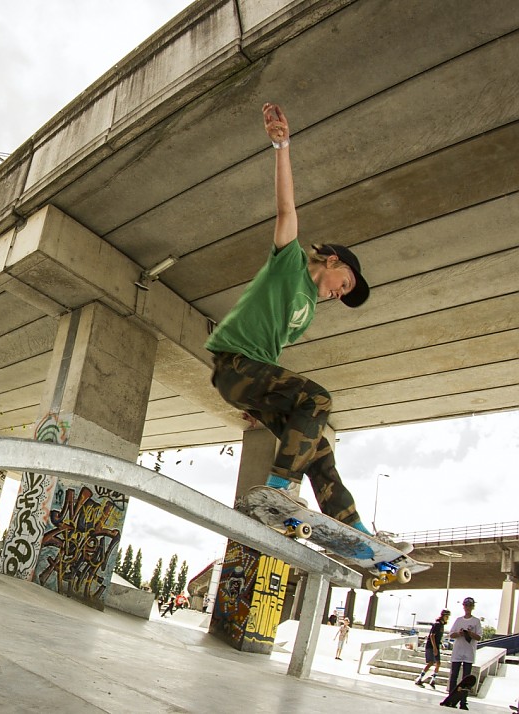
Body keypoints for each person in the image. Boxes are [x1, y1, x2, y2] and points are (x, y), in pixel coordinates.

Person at [205, 103, 406, 549]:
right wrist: (282, 146)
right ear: (332, 261)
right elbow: (285, 209)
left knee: (318, 450)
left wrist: (258, 400)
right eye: (344, 282)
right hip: (234, 364)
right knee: (317, 398)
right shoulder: (289, 263)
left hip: (251, 378)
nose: (340, 291)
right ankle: (279, 492)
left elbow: (270, 347)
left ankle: (353, 530)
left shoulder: (308, 310)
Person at [446, 597, 483, 697]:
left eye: (470, 605)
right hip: (457, 652)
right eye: (466, 605)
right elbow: (451, 635)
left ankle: (463, 700)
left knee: (466, 678)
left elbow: (479, 637)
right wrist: (460, 633)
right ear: (463, 606)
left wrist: (470, 633)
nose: (467, 607)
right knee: (454, 676)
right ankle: (451, 696)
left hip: (469, 653)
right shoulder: (458, 620)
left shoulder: (476, 621)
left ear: (472, 607)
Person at [416, 609, 451, 688]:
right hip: (430, 646)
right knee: (431, 662)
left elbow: (438, 637)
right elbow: (432, 635)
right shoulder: (437, 624)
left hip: (436, 646)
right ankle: (420, 678)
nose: (447, 618)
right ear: (442, 616)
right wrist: (435, 647)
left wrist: (441, 644)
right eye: (446, 616)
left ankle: (433, 680)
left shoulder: (442, 625)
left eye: (448, 616)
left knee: (438, 663)